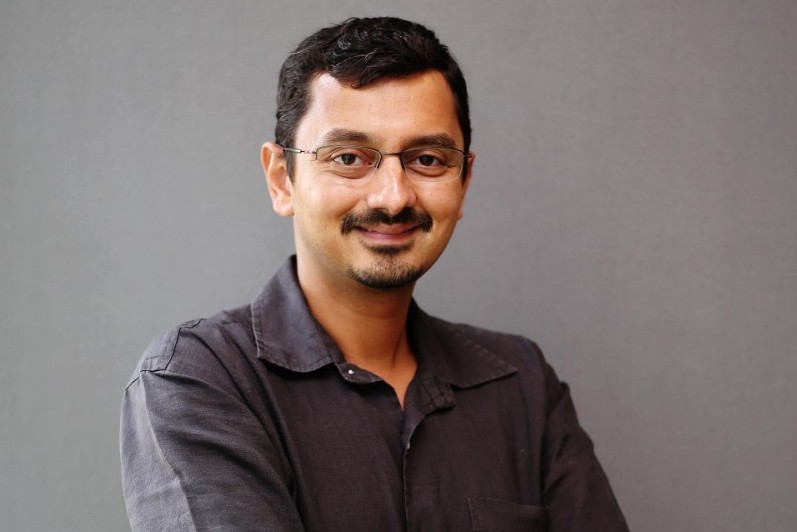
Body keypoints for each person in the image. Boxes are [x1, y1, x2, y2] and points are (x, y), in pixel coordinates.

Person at [120, 16, 629, 532]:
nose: (393, 197)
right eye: (348, 157)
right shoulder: (199, 379)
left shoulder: (522, 384)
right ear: (282, 180)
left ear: (464, 180)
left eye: (427, 159)